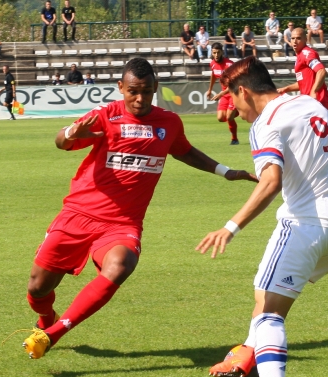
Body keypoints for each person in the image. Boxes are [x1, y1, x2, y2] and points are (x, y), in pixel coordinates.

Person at [17, 58, 257, 360]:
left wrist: (226, 171)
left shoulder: (169, 122)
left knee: (120, 265)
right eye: (133, 91)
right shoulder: (106, 116)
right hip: (78, 214)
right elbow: (62, 141)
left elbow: (185, 151)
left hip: (122, 224)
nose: (140, 98)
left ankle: (52, 334)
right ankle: (45, 320)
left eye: (146, 91)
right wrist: (69, 135)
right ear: (121, 88)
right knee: (38, 288)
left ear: (156, 87)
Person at [199, 57, 328, 377]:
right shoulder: (309, 103)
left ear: (244, 91)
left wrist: (230, 226)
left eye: (232, 99)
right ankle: (248, 353)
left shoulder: (265, 123)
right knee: (265, 296)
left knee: (269, 312)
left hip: (305, 225)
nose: (234, 109)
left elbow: (270, 182)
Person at [276, 28, 328, 110]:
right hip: (308, 101)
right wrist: (285, 89)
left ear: (305, 39)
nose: (295, 41)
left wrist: (314, 91)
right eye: (293, 38)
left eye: (298, 38)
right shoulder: (300, 56)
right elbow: (303, 83)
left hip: (317, 100)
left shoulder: (307, 53)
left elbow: (321, 71)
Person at [206, 42, 239, 145]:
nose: (216, 55)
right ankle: (237, 111)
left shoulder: (229, 64)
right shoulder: (212, 64)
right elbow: (213, 75)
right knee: (221, 118)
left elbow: (234, 84)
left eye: (218, 52)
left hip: (234, 93)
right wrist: (210, 89)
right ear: (211, 52)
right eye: (214, 52)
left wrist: (220, 94)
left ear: (222, 52)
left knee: (229, 117)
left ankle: (234, 139)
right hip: (224, 94)